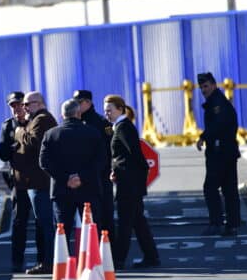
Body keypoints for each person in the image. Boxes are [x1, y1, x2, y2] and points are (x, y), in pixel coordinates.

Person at [40, 99, 106, 255]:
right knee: (91, 229)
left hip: (62, 190)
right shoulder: (93, 133)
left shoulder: (51, 134)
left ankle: (63, 267)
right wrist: (81, 177)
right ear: (79, 113)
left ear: (62, 114)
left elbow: (44, 162)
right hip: (89, 188)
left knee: (62, 231)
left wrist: (65, 179)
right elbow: (101, 160)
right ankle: (92, 265)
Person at [103, 94, 160, 269]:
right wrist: (116, 171)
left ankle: (119, 259)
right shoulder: (120, 126)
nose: (107, 114)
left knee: (125, 222)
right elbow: (124, 157)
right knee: (137, 221)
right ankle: (151, 256)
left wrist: (121, 173)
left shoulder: (123, 127)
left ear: (120, 109)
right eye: (105, 111)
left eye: (109, 110)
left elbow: (134, 155)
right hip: (129, 182)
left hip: (129, 185)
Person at [0, 91, 45, 273]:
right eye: (13, 106)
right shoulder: (8, 126)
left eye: (20, 104)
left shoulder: (35, 121)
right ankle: (17, 260)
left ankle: (43, 259)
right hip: (18, 179)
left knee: (41, 219)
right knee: (19, 220)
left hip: (37, 178)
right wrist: (15, 146)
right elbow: (3, 154)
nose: (17, 109)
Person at [14, 91, 57, 274]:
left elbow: (33, 141)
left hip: (39, 181)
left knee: (46, 223)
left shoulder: (42, 119)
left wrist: (19, 132)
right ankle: (46, 260)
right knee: (42, 224)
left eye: (27, 104)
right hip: (33, 181)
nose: (24, 108)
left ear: (39, 103)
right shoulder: (36, 119)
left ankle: (50, 262)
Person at [196, 72, 241, 237]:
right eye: (201, 87)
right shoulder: (217, 101)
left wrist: (203, 137)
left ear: (214, 85)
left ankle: (216, 223)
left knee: (210, 188)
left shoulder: (217, 104)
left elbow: (218, 126)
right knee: (229, 189)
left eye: (206, 86)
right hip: (227, 151)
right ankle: (232, 225)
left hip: (220, 152)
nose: (203, 90)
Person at [73, 90, 114, 242]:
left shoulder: (101, 123)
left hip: (101, 177)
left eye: (79, 102)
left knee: (105, 215)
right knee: (89, 218)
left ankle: (111, 253)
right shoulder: (76, 121)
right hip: (84, 177)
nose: (76, 105)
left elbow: (110, 149)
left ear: (88, 103)